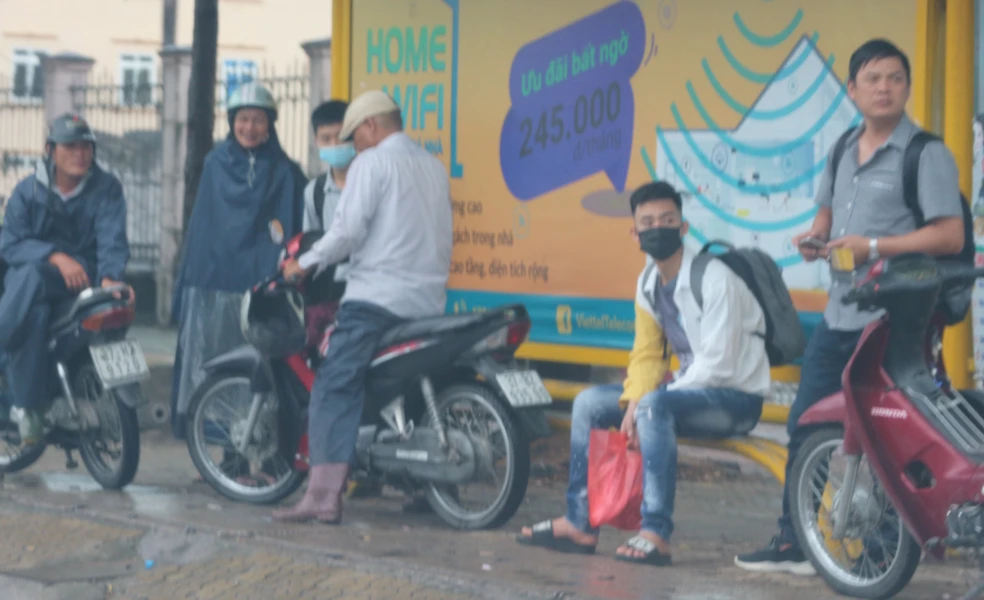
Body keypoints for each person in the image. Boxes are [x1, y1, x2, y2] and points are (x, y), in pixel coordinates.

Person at [735, 38, 965, 576]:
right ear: (853, 89)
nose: (885, 88)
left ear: (906, 88)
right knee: (805, 425)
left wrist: (875, 247)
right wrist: (815, 237)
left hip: (895, 324)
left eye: (895, 79)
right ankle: (794, 540)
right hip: (839, 315)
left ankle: (883, 552)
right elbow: (827, 214)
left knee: (888, 435)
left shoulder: (925, 153)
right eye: (873, 79)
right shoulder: (842, 147)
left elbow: (950, 235)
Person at [515, 181, 770, 566]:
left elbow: (718, 364)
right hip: (684, 396)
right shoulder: (648, 283)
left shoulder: (715, 279)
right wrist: (634, 402)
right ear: (634, 233)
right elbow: (648, 355)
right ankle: (579, 521)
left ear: (683, 227)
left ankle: (655, 531)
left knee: (652, 407)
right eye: (648, 223)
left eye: (667, 220)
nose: (658, 228)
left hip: (735, 399)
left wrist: (647, 404)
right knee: (589, 404)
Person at [272, 89, 453, 524]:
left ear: (372, 126)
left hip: (376, 301)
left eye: (355, 136)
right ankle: (420, 483)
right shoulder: (433, 167)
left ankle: (322, 496)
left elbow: (347, 233)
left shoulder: (372, 164)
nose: (353, 147)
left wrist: (303, 263)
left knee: (333, 384)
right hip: (427, 303)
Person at [170, 83, 307, 441]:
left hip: (261, 289)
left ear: (270, 124)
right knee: (216, 365)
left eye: (258, 120)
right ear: (231, 121)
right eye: (243, 119)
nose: (250, 127)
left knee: (262, 370)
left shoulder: (285, 171)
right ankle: (221, 448)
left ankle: (256, 443)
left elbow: (295, 226)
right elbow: (202, 230)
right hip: (215, 286)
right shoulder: (215, 165)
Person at [0, 113, 132, 443]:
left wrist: (110, 277)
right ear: (50, 150)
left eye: (86, 147)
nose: (80, 154)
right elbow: (10, 244)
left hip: (83, 279)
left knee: (31, 276)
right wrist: (55, 257)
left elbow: (112, 237)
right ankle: (30, 409)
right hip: (36, 282)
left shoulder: (106, 188)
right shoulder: (27, 191)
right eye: (70, 147)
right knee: (33, 301)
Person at [303, 99, 352, 232]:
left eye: (342, 137)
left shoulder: (371, 182)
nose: (334, 144)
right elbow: (311, 239)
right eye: (326, 139)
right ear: (317, 141)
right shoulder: (314, 191)